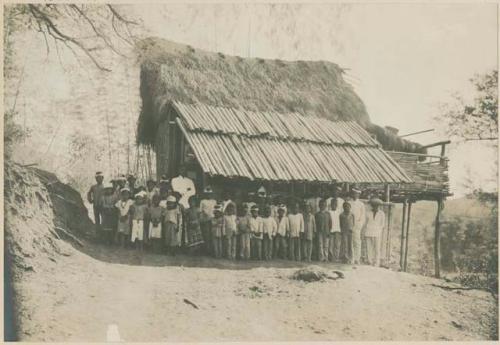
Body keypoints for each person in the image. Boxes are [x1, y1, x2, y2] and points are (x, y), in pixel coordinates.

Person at [364, 197, 385, 266]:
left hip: (377, 232)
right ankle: (369, 261)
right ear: (372, 205)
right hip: (368, 231)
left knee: (377, 248)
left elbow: (382, 224)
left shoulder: (382, 214)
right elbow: (365, 222)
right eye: (374, 205)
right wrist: (365, 230)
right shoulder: (368, 213)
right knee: (369, 247)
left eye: (377, 205)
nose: (375, 206)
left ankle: (376, 262)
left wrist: (378, 230)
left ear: (379, 206)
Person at [348, 188, 366, 265]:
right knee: (350, 242)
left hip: (357, 225)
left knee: (357, 242)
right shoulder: (349, 203)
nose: (355, 195)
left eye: (357, 194)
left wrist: (359, 225)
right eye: (354, 193)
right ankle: (351, 258)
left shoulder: (361, 204)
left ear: (359, 195)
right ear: (352, 194)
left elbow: (363, 216)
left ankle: (357, 258)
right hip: (349, 225)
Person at [200, 186, 217, 255]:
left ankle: (213, 250)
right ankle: (207, 250)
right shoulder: (203, 201)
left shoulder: (214, 201)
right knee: (206, 235)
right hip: (205, 220)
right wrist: (202, 219)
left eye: (209, 194)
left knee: (212, 235)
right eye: (207, 194)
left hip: (213, 219)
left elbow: (216, 210)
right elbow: (201, 211)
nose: (208, 195)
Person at [87, 171, 105, 236]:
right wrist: (90, 200)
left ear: (103, 178)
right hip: (96, 205)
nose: (98, 179)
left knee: (103, 219)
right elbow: (89, 193)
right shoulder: (93, 187)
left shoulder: (104, 186)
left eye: (100, 178)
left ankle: (103, 234)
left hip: (103, 206)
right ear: (95, 179)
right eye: (97, 178)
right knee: (97, 219)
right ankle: (97, 233)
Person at [328, 197, 342, 262]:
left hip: (338, 230)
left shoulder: (339, 212)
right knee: (330, 244)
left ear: (337, 205)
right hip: (331, 230)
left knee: (337, 245)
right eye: (333, 204)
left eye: (335, 204)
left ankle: (336, 257)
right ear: (331, 205)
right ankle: (330, 257)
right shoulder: (328, 212)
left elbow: (341, 221)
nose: (334, 205)